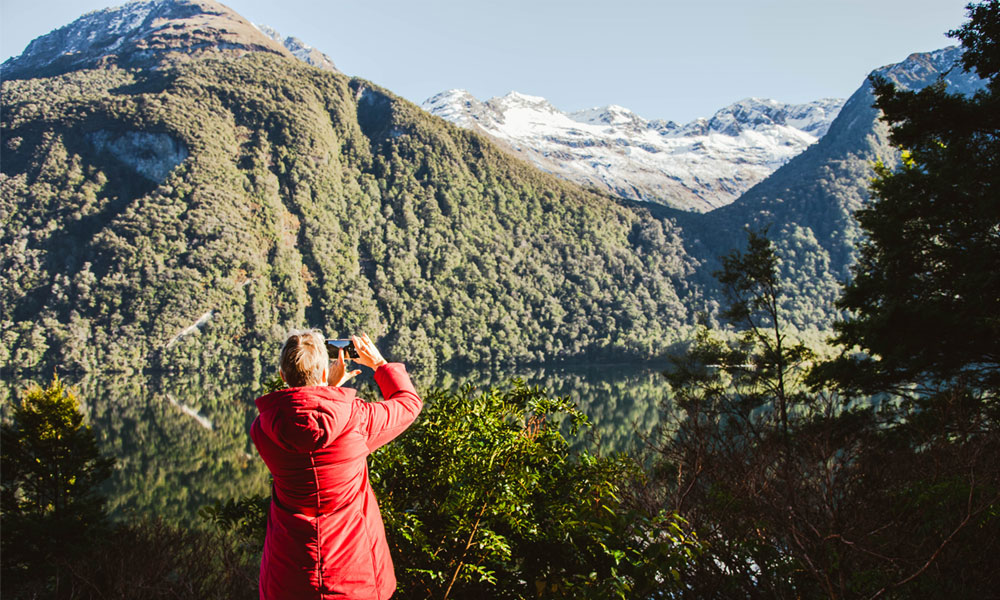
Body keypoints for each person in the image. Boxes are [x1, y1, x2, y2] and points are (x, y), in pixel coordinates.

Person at [251, 330, 422, 600]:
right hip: (356, 574)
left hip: (288, 577)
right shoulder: (357, 420)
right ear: (323, 372)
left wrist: (325, 390)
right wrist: (379, 365)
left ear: (283, 376)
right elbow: (409, 404)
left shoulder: (263, 429)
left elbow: (305, 421)